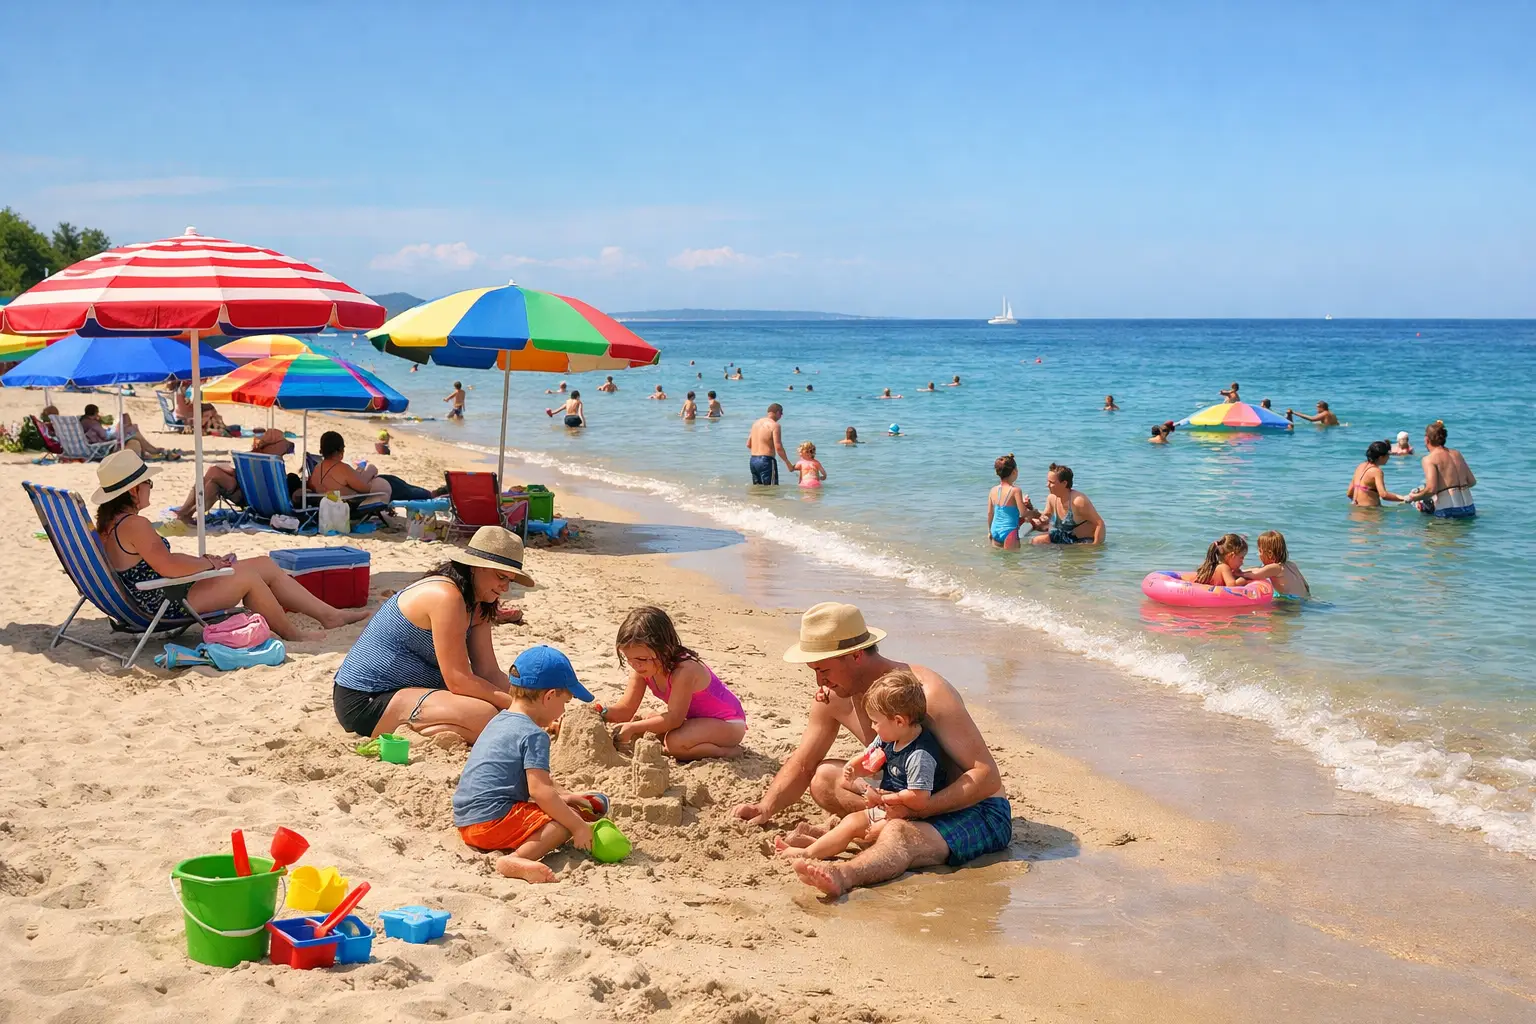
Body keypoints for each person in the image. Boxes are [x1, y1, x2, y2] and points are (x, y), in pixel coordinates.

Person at [731, 603, 1011, 897]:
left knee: (897, 833)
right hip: (905, 802)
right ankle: (868, 836)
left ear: (855, 655)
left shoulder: (926, 693)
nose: (819, 682)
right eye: (814, 671)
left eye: (824, 670)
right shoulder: (835, 696)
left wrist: (918, 810)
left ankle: (844, 874)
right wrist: (765, 806)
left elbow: (987, 776)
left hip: (975, 810)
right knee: (824, 778)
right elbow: (804, 762)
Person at [94, 450, 367, 642]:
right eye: (148, 483)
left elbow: (160, 563)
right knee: (248, 577)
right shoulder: (134, 524)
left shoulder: (110, 525)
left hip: (159, 593)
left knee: (263, 564)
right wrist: (208, 565)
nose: (150, 488)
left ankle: (329, 615)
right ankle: (292, 633)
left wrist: (206, 563)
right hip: (165, 601)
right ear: (133, 490)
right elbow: (168, 566)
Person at [333, 526, 535, 741]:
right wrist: (520, 709)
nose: (505, 587)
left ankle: (433, 728)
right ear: (476, 567)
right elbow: (459, 680)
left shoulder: (479, 602)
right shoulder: (446, 597)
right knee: (485, 715)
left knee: (494, 715)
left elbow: (489, 672)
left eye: (510, 580)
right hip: (367, 698)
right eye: (501, 577)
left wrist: (528, 703)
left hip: (409, 693)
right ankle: (414, 734)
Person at [452, 645, 598, 883]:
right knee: (562, 822)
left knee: (565, 809)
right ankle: (518, 859)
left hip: (467, 822)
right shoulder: (534, 735)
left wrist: (567, 796)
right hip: (491, 823)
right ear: (549, 696)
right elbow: (539, 791)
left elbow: (537, 779)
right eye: (566, 702)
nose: (562, 711)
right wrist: (578, 826)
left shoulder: (499, 720)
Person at [777, 669, 946, 862]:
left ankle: (824, 849)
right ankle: (810, 851)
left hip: (913, 816)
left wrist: (888, 798)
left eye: (875, 722)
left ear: (899, 721)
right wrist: (853, 767)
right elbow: (869, 756)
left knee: (875, 833)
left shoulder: (919, 756)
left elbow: (920, 799)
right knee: (851, 822)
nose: (872, 727)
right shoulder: (891, 737)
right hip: (889, 802)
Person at [605, 606, 747, 759]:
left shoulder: (684, 671)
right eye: (629, 659)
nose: (635, 665)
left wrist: (632, 728)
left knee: (674, 743)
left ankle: (727, 752)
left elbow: (674, 719)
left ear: (665, 649)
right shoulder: (643, 667)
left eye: (641, 659)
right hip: (695, 720)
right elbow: (626, 709)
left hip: (728, 723)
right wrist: (601, 712)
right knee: (649, 721)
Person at [175, 428, 295, 522]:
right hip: (255, 498)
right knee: (213, 476)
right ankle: (186, 512)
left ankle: (185, 511)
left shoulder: (252, 457)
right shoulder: (273, 464)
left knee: (214, 476)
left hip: (246, 497)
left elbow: (240, 476)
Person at [309, 430, 421, 502]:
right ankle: (429, 494)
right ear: (340, 450)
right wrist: (370, 471)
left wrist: (359, 473)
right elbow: (365, 489)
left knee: (401, 485)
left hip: (334, 502)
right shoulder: (341, 467)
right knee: (403, 487)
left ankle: (430, 493)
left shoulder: (318, 468)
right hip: (350, 505)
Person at [1404, 420, 1477, 518]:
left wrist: (1412, 497)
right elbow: (1472, 482)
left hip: (1448, 511)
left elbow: (1431, 490)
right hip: (1470, 508)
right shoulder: (1457, 454)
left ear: (1427, 439)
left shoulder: (1429, 459)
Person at [1027, 463, 1105, 545]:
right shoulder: (1051, 498)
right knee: (1035, 541)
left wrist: (1095, 547)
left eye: (1051, 482)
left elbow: (1099, 524)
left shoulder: (1078, 501)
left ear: (1064, 483)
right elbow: (1045, 519)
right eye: (1047, 481)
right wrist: (1031, 510)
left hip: (1081, 542)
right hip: (1063, 537)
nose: (1047, 485)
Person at [1242, 531, 1310, 600]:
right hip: (1303, 599)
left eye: (1260, 551)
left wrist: (1237, 572)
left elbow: (1254, 574)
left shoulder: (1276, 567)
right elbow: (1306, 586)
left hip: (1292, 603)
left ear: (1269, 554)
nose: (1258, 554)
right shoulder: (1291, 564)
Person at [986, 453, 1033, 550]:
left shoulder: (993, 490)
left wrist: (990, 531)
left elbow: (990, 513)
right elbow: (1023, 513)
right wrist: (1034, 512)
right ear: (1014, 471)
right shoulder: (1015, 490)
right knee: (1013, 563)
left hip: (995, 530)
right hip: (1009, 532)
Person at [1347, 441, 1408, 506]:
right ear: (1381, 457)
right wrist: (1404, 498)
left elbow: (1349, 493)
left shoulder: (1360, 466)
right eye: (1388, 455)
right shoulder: (1377, 471)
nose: (1389, 457)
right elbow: (1384, 495)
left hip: (1355, 511)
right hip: (1370, 513)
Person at [747, 403, 792, 485]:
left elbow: (748, 444)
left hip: (753, 460)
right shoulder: (775, 425)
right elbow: (778, 447)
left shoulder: (755, 423)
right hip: (766, 461)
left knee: (758, 489)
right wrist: (787, 462)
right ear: (778, 412)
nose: (781, 416)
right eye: (781, 413)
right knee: (771, 490)